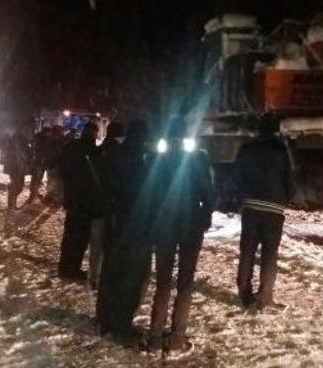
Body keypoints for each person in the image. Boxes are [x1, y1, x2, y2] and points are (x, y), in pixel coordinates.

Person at [143, 118, 215, 355]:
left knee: (163, 282)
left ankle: (154, 337)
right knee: (185, 282)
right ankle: (176, 338)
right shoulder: (198, 159)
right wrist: (205, 218)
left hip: (164, 227)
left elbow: (148, 196)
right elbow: (209, 193)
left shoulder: (157, 160)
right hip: (191, 226)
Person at [231, 113, 294, 309]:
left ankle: (244, 292)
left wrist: (241, 197)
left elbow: (236, 177)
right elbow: (289, 180)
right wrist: (287, 197)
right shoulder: (281, 151)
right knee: (269, 254)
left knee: (247, 251)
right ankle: (265, 295)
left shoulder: (246, 149)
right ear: (275, 130)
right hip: (273, 209)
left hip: (250, 207)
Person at [96, 121, 151, 341]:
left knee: (111, 271)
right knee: (131, 276)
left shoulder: (115, 157)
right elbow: (144, 196)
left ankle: (104, 318)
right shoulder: (139, 163)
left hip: (114, 223)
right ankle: (121, 323)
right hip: (134, 227)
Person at [57, 122, 99, 281]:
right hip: (85, 201)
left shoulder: (71, 147)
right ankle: (72, 268)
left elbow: (62, 170)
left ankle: (64, 267)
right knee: (80, 237)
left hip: (73, 199)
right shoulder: (93, 151)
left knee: (70, 235)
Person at [86, 122, 125, 289]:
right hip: (112, 207)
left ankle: (93, 277)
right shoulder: (120, 154)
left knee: (95, 245)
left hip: (96, 205)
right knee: (110, 245)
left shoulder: (96, 152)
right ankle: (106, 279)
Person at [1, 130, 30, 214]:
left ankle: (12, 204)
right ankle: (11, 206)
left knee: (19, 187)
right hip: (14, 170)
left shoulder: (23, 146)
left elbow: (27, 155)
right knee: (15, 187)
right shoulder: (10, 147)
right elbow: (8, 159)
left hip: (20, 169)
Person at [27, 128, 51, 204]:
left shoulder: (37, 138)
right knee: (36, 179)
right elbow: (41, 151)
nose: (50, 134)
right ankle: (32, 196)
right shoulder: (43, 140)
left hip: (37, 162)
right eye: (49, 133)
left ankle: (34, 194)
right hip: (39, 162)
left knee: (35, 179)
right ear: (45, 132)